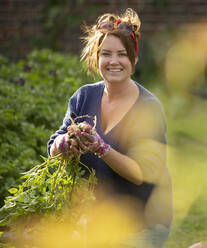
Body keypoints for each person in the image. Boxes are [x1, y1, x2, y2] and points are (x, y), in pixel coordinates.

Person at [47, 8, 172, 248]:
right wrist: (64, 144)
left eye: (121, 54)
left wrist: (100, 147)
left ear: (133, 60)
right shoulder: (83, 97)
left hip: (141, 221)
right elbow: (53, 146)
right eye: (106, 54)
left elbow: (141, 173)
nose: (114, 61)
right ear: (96, 58)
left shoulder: (147, 107)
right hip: (95, 221)